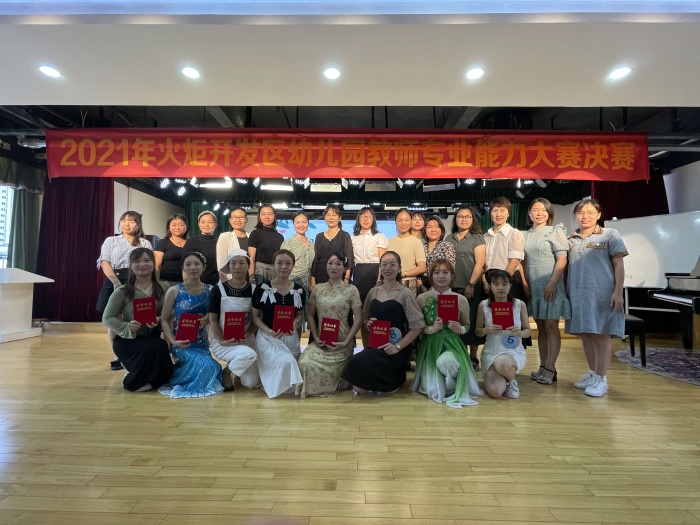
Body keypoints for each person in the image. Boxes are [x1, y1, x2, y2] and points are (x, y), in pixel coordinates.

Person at [565, 198, 628, 398]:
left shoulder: (610, 234)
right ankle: (593, 373)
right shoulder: (570, 239)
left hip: (602, 294)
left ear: (599, 215)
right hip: (578, 294)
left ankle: (601, 378)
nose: (585, 216)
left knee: (601, 334)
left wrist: (618, 292)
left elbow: (619, 264)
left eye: (590, 212)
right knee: (587, 334)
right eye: (581, 212)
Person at [342, 251, 425, 394]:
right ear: (380, 268)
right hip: (377, 345)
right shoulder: (373, 292)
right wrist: (369, 324)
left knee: (358, 364)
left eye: (392, 264)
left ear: (399, 268)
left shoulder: (405, 293)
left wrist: (398, 346)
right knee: (358, 387)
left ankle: (395, 378)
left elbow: (418, 326)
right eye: (384, 264)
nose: (388, 268)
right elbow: (365, 317)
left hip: (395, 348)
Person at [412, 259, 483, 408]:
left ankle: (453, 385)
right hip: (430, 346)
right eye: (436, 272)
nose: (441, 276)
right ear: (431, 276)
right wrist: (431, 329)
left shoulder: (461, 299)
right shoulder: (422, 298)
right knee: (433, 390)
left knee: (448, 363)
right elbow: (417, 327)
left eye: (445, 272)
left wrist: (460, 329)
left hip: (452, 344)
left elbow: (467, 325)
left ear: (452, 275)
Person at [101, 248, 173, 392]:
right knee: (157, 346)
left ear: (153, 264)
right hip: (128, 341)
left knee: (160, 351)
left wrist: (160, 318)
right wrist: (127, 326)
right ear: (131, 265)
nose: (142, 264)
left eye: (147, 260)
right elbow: (107, 318)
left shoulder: (165, 288)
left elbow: (174, 310)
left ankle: (147, 377)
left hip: (152, 339)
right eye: (137, 261)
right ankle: (132, 381)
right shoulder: (122, 291)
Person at [159, 252, 224, 398]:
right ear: (183, 268)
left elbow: (216, 315)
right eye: (188, 264)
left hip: (202, 344)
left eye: (196, 264)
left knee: (213, 366)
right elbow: (164, 319)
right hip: (181, 344)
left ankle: (179, 372)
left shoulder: (211, 290)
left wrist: (208, 318)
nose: (192, 267)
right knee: (208, 366)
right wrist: (173, 341)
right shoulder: (174, 291)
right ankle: (178, 379)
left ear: (204, 267)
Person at [298, 253, 363, 398]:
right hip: (322, 342)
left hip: (342, 344)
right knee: (304, 362)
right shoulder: (318, 289)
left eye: (338, 264)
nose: (333, 267)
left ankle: (339, 380)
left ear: (345, 268)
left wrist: (346, 342)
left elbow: (359, 319)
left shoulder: (351, 290)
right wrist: (316, 337)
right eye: (330, 263)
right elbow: (310, 315)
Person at [522, 198, 571, 385]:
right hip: (533, 285)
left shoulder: (555, 231)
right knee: (541, 327)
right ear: (529, 213)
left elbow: (562, 259)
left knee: (551, 326)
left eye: (543, 210)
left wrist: (552, 282)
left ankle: (551, 368)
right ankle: (543, 366)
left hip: (551, 285)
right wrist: (525, 282)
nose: (539, 213)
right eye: (535, 209)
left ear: (549, 213)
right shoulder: (525, 234)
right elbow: (522, 261)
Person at [96, 210, 152, 371]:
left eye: (131, 221)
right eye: (124, 220)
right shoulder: (111, 240)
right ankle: (117, 356)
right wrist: (115, 283)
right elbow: (104, 262)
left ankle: (136, 353)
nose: (127, 224)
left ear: (138, 225)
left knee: (139, 317)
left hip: (138, 280)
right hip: (115, 279)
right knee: (115, 319)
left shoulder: (145, 243)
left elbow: (149, 265)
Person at [251, 249, 305, 398]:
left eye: (288, 263)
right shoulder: (262, 289)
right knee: (286, 362)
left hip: (290, 336)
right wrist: (268, 330)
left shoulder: (298, 290)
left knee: (291, 372)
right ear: (273, 264)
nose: (283, 267)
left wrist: (294, 323)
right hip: (268, 337)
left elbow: (300, 315)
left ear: (293, 266)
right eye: (279, 263)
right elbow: (255, 317)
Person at [208, 249, 259, 391]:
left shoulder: (254, 290)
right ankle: (226, 372)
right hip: (224, 342)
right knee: (249, 355)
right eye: (233, 263)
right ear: (228, 266)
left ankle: (236, 367)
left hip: (245, 340)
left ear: (248, 266)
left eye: (242, 263)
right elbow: (212, 318)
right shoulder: (218, 290)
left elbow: (256, 318)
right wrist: (220, 340)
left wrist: (248, 333)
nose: (237, 267)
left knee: (251, 383)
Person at [482, 197, 530, 347]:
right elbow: (482, 262)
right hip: (490, 280)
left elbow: (515, 261)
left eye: (502, 210)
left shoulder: (514, 233)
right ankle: (496, 352)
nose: (498, 214)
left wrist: (502, 283)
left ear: (508, 213)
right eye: (495, 210)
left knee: (511, 322)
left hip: (509, 279)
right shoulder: (485, 236)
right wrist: (485, 281)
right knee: (495, 321)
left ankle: (514, 354)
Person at [475, 269, 531, 399]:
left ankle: (511, 380)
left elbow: (527, 331)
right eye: (496, 284)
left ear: (510, 285)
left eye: (504, 284)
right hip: (491, 352)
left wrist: (520, 333)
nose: (500, 288)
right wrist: (486, 330)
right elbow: (478, 331)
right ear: (490, 286)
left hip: (512, 351)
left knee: (501, 362)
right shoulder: (483, 305)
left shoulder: (519, 304)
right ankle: (503, 375)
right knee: (496, 392)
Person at [445, 205, 486, 370]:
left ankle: (473, 357)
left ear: (472, 219)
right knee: (455, 324)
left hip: (470, 288)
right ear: (455, 219)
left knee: (471, 322)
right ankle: (459, 355)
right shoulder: (449, 238)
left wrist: (471, 284)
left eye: (467, 216)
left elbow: (480, 263)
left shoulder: (477, 238)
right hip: (451, 289)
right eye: (460, 216)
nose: (464, 219)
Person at [311, 204, 353, 289]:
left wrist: (346, 279)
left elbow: (350, 259)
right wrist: (312, 279)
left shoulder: (345, 235)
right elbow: (315, 260)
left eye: (334, 215)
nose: (331, 218)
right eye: (328, 215)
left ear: (339, 217)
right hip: (321, 275)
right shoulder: (319, 236)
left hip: (339, 276)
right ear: (324, 217)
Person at [350, 207, 388, 303]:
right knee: (359, 303)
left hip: (374, 273)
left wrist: (379, 279)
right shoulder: (353, 238)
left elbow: (382, 261)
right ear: (358, 219)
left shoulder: (379, 236)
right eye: (363, 216)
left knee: (374, 303)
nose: (366, 219)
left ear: (373, 219)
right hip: (358, 274)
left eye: (369, 217)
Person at [386, 208, 426, 295]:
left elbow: (422, 267)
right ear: (395, 222)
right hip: (391, 283)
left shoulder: (416, 242)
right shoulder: (389, 241)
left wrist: (403, 274)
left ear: (411, 221)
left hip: (409, 284)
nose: (403, 223)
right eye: (400, 220)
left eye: (407, 220)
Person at [280, 211, 315, 300]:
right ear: (293, 224)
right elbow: (282, 265)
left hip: (309, 285)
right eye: (298, 222)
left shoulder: (313, 245)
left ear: (308, 223)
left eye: (304, 222)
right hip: (292, 284)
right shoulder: (288, 243)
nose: (301, 225)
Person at [248, 204, 284, 286]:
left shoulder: (280, 236)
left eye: (270, 214)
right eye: (263, 214)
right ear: (259, 217)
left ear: (274, 217)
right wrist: (251, 277)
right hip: (260, 272)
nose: (267, 217)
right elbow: (251, 258)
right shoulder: (255, 233)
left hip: (276, 271)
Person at [183, 211, 219, 286]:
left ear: (215, 224)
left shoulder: (219, 242)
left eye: (210, 222)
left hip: (216, 284)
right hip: (196, 284)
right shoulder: (191, 241)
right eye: (203, 222)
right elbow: (185, 265)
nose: (206, 225)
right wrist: (187, 284)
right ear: (199, 224)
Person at [421, 215, 456, 290]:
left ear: (441, 230)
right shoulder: (421, 246)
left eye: (436, 227)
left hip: (442, 283)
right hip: (423, 284)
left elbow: (450, 268)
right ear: (425, 230)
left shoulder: (447, 245)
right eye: (429, 227)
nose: (433, 230)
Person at [154, 213, 188, 287]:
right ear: (169, 227)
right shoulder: (163, 242)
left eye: (181, 225)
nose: (177, 228)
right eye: (174, 225)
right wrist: (156, 285)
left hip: (186, 283)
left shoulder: (191, 243)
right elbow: (157, 266)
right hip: (166, 283)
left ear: (186, 226)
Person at [216, 207, 250, 282]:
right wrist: (225, 285)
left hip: (249, 279)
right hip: (230, 280)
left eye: (241, 217)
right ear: (230, 220)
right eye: (235, 217)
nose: (238, 220)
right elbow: (221, 265)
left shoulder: (251, 236)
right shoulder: (224, 236)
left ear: (246, 220)